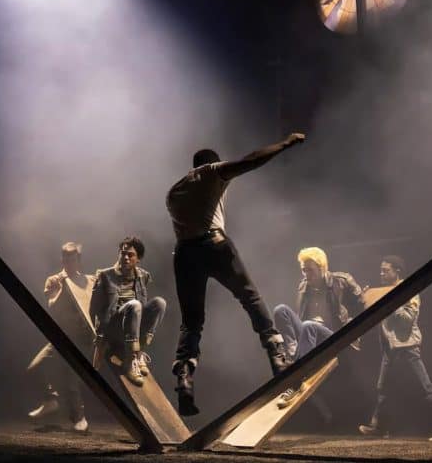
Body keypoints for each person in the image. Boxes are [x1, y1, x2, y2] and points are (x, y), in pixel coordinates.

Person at [166, 133, 305, 415]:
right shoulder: (211, 172)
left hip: (184, 254)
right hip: (213, 245)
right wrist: (285, 143)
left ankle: (184, 376)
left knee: (191, 323)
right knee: (250, 296)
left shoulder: (173, 192)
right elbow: (250, 161)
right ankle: (276, 353)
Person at [358, 256, 432, 441]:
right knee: (383, 388)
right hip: (390, 349)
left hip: (407, 347)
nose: (381, 273)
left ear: (397, 271)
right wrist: (369, 299)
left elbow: (408, 320)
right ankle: (379, 426)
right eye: (381, 270)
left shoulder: (409, 290)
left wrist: (390, 302)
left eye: (386, 270)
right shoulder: (385, 291)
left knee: (426, 387)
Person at [272, 247, 363, 409]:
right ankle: (295, 360)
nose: (307, 275)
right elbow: (300, 316)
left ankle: (296, 381)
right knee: (280, 310)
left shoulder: (341, 281)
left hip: (334, 337)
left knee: (309, 325)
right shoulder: (303, 286)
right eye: (304, 270)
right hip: (310, 336)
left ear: (323, 268)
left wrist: (350, 323)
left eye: (311, 270)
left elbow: (362, 305)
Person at [27, 242, 95, 432]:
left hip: (82, 340)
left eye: (71, 258)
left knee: (71, 380)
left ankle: (80, 419)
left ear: (78, 260)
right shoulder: (55, 280)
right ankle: (50, 399)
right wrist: (63, 288)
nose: (68, 262)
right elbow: (52, 307)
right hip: (60, 338)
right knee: (35, 368)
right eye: (65, 258)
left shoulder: (89, 281)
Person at [90, 236, 167, 386]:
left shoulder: (143, 276)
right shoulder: (105, 276)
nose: (125, 257)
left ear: (138, 259)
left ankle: (138, 353)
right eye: (122, 253)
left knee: (160, 303)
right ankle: (129, 361)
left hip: (133, 328)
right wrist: (100, 336)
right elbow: (93, 308)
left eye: (130, 255)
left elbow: (145, 312)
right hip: (114, 328)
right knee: (135, 305)